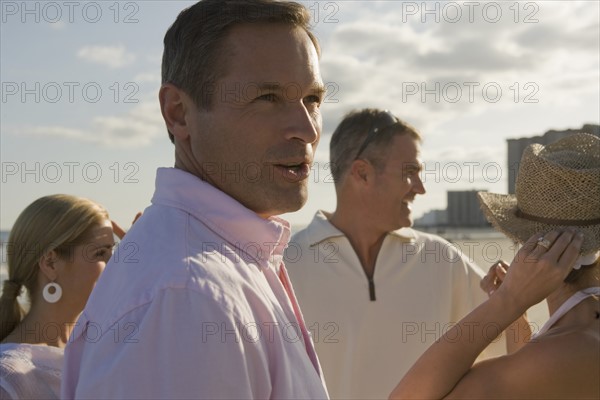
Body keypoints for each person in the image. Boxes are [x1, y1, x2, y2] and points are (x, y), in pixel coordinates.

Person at [61, 1, 328, 398]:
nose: (306, 129)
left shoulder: (213, 268)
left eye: (312, 99)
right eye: (268, 98)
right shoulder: (187, 296)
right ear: (179, 113)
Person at [285, 108, 504, 399]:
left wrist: (516, 296)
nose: (421, 188)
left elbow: (513, 348)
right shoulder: (284, 266)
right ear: (362, 173)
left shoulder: (441, 259)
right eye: (410, 172)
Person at [390, 132, 599, 399]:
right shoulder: (572, 343)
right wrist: (516, 321)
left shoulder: (557, 354)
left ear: (528, 249)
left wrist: (507, 301)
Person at [0, 194, 116, 399]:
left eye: (114, 251)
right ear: (51, 263)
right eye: (101, 253)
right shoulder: (9, 380)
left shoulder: (102, 350)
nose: (116, 265)